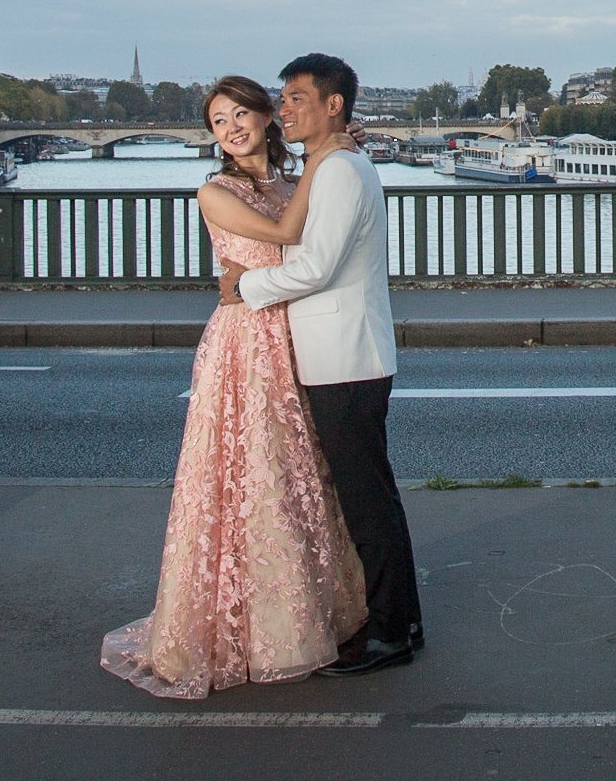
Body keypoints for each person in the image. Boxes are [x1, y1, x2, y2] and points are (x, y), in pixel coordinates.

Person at [100, 75, 369, 695]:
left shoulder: (286, 181)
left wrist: (321, 165)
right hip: (246, 341)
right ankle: (252, 628)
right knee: (252, 476)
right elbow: (283, 238)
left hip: (294, 333)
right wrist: (326, 158)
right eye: (219, 121)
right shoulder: (214, 190)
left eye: (240, 113)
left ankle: (300, 613)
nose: (231, 128)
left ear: (267, 116)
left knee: (298, 474)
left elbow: (315, 243)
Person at [219, 52, 424, 676]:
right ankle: (401, 620)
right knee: (374, 496)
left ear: (333, 104)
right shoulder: (335, 164)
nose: (284, 108)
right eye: (281, 98)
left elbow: (315, 268)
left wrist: (242, 288)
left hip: (344, 358)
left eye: (296, 97)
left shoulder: (337, 172)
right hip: (349, 352)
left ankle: (389, 632)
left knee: (365, 501)